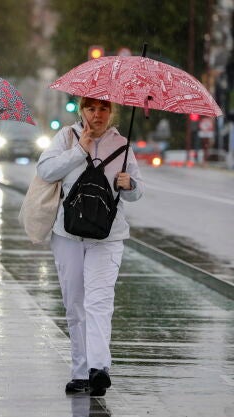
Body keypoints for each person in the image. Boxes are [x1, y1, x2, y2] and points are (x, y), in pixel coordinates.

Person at [36, 97, 144, 396]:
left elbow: (137, 192)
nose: (97, 115)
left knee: (99, 301)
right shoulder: (67, 137)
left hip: (108, 236)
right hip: (68, 233)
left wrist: (129, 184)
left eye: (103, 109)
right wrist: (79, 151)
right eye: (91, 108)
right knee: (75, 304)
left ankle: (99, 368)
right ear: (82, 110)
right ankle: (80, 371)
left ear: (112, 112)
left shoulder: (122, 144)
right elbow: (45, 171)